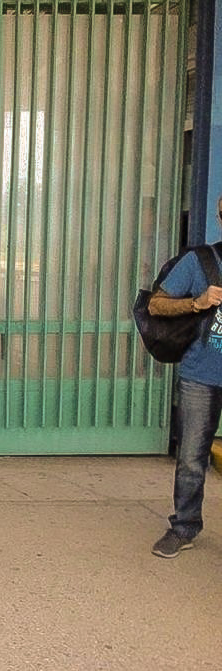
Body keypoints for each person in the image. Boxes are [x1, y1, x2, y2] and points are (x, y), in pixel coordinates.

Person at [147, 201, 222, 558]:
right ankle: (184, 526)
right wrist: (197, 302)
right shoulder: (201, 262)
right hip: (200, 376)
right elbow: (156, 305)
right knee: (192, 457)